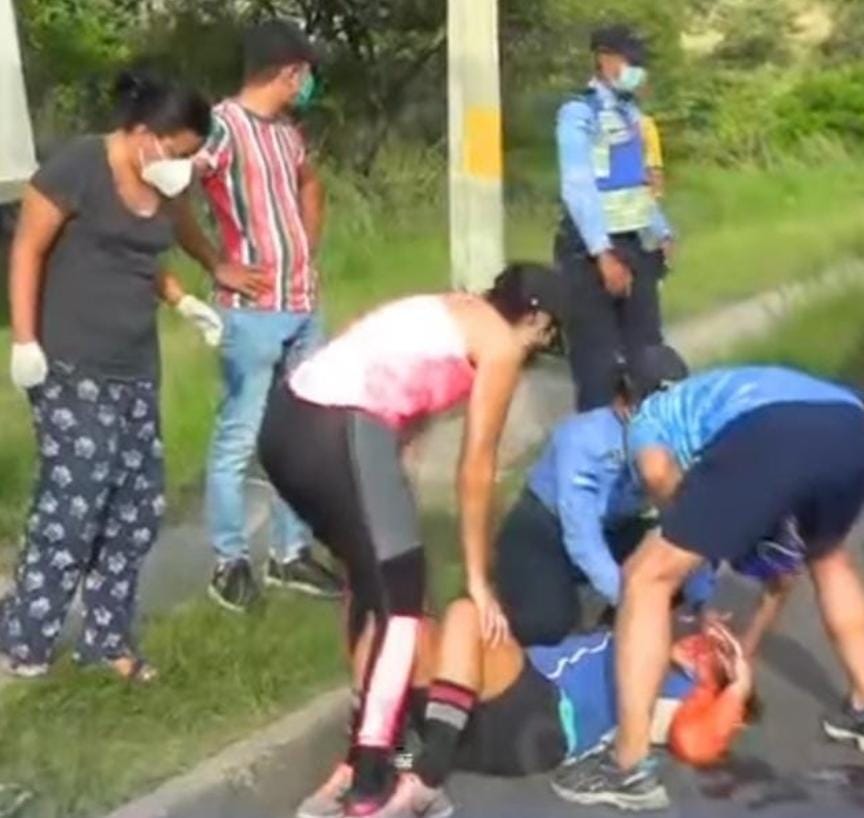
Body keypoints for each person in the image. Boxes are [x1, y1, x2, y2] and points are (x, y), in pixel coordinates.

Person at [257, 263, 567, 816]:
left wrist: (396, 451)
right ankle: (371, 782)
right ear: (535, 317)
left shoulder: (453, 308)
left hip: (285, 422)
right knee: (402, 601)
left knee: (371, 582)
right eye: (548, 330)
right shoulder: (499, 346)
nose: (547, 343)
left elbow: (377, 357)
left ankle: (365, 757)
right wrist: (477, 575)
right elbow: (476, 469)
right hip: (342, 428)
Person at [552, 365, 864, 811]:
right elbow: (783, 572)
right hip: (852, 427)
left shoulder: (647, 418)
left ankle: (627, 765)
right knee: (828, 557)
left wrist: (688, 531)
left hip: (773, 432)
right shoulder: (707, 396)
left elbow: (658, 473)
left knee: (644, 576)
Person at [1, 70, 220, 681]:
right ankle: (26, 639)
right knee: (74, 502)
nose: (183, 165)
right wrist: (24, 340)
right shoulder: (80, 165)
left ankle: (106, 637)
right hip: (72, 362)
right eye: (179, 151)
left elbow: (140, 253)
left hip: (135, 369)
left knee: (136, 507)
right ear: (146, 134)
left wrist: (183, 298)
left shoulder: (161, 186)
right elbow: (27, 250)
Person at [173, 18, 342, 611]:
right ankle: (229, 559)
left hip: (302, 304)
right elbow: (175, 192)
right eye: (306, 73)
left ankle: (289, 554)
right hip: (251, 313)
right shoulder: (221, 126)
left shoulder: (288, 133)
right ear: (289, 72)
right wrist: (215, 262)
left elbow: (310, 186)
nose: (309, 84)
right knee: (239, 437)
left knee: (300, 435)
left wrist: (304, 247)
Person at [295, 598, 749, 818]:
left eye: (714, 656)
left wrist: (737, 687)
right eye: (709, 641)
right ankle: (371, 767)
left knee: (465, 614)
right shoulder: (648, 639)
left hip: (540, 720)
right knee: (390, 621)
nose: (702, 643)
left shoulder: (676, 686)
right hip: (459, 734)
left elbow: (695, 741)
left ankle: (425, 780)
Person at [494, 344, 699, 645]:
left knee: (670, 574)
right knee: (548, 626)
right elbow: (582, 537)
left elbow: (694, 512)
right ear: (623, 400)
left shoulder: (680, 437)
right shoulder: (582, 439)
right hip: (546, 528)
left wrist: (699, 596)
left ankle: (613, 637)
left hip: (614, 525)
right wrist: (631, 600)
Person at [555, 24, 674, 412]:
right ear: (605, 59)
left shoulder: (630, 115)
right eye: (630, 60)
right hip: (591, 250)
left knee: (648, 355)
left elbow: (634, 183)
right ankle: (597, 451)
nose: (637, 70)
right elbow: (579, 187)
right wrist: (602, 253)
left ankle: (651, 444)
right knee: (598, 363)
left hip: (633, 241)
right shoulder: (578, 113)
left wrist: (660, 230)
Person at [639, 113, 665, 198]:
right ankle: (655, 191)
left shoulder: (645, 123)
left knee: (653, 166)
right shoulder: (645, 122)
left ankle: (655, 191)